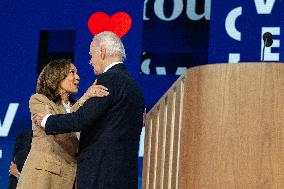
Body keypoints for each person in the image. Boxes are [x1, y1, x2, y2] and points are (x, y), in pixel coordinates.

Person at [34, 31, 145, 189]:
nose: (90, 61)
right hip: (124, 176)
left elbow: (81, 119)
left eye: (92, 55)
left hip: (101, 175)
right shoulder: (135, 89)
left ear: (102, 52)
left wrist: (47, 120)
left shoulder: (109, 79)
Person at [17, 59, 108, 189]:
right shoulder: (39, 100)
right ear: (56, 76)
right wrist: (84, 98)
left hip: (68, 179)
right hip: (42, 178)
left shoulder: (76, 108)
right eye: (72, 72)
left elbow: (65, 125)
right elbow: (59, 131)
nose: (78, 77)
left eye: (77, 73)